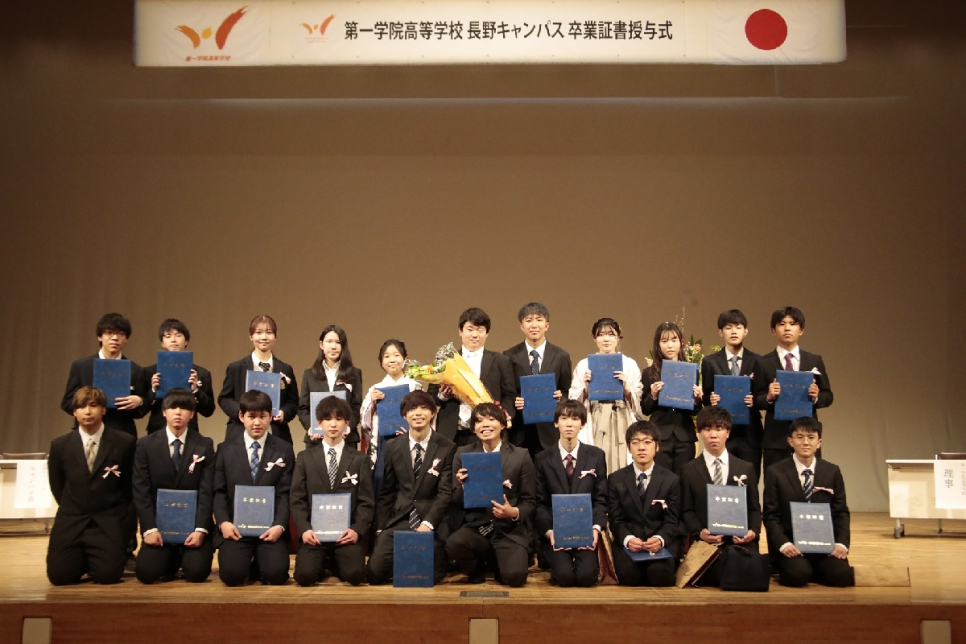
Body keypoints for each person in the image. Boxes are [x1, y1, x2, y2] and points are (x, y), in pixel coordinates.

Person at [47, 387, 137, 585]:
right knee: (60, 577)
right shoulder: (60, 445)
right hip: (72, 520)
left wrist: (124, 522)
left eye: (93, 405)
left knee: (107, 576)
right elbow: (58, 485)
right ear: (74, 412)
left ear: (103, 409)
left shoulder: (124, 442)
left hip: (108, 520)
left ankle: (97, 558)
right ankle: (81, 559)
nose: (87, 411)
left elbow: (130, 485)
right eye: (81, 407)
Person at [367, 391, 455, 585]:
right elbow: (387, 492)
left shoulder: (447, 446)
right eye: (412, 409)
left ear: (432, 414)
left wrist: (428, 524)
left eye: (424, 408)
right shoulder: (393, 446)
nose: (418, 413)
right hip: (401, 518)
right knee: (374, 574)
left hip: (432, 521)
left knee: (427, 577)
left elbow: (445, 493)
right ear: (404, 415)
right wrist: (381, 526)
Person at [132, 388, 216, 584]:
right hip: (160, 528)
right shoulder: (146, 445)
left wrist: (200, 529)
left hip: (192, 527)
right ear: (164, 412)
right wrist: (149, 529)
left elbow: (206, 491)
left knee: (196, 573)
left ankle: (182, 557)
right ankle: (171, 558)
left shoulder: (204, 444)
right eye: (172, 407)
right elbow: (141, 490)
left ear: (192, 414)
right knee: (146, 574)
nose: (178, 412)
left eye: (184, 408)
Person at [446, 403, 535, 587]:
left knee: (515, 578)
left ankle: (499, 562)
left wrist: (513, 512)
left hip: (508, 530)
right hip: (477, 527)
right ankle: (477, 568)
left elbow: (530, 501)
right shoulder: (463, 454)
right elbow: (457, 501)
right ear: (473, 429)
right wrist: (462, 486)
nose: (485, 424)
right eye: (479, 421)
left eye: (491, 419)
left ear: (502, 424)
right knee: (454, 544)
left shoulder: (520, 456)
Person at [213, 390, 295, 586]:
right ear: (241, 416)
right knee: (232, 577)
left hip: (270, 528)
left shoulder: (284, 449)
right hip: (237, 529)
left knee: (276, 575)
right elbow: (219, 491)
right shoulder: (225, 449)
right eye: (251, 416)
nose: (257, 422)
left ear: (270, 416)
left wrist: (279, 526)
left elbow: (285, 493)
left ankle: (260, 561)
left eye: (262, 416)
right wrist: (223, 523)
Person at [290, 396, 374, 587]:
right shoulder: (305, 458)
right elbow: (297, 499)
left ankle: (334, 563)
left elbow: (366, 501)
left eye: (338, 419)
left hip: (345, 535)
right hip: (315, 535)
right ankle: (325, 563)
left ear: (347, 423)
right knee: (304, 577)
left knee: (356, 576)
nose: (333, 424)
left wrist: (356, 530)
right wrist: (305, 530)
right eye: (328, 419)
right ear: (319, 423)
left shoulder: (359, 459)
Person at [763, 417, 853, 588]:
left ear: (819, 443)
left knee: (842, 576)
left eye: (811, 437)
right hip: (792, 546)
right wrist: (784, 544)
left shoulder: (832, 471)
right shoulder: (775, 472)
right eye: (800, 437)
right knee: (798, 576)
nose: (805, 442)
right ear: (790, 441)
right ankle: (800, 569)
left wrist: (841, 544)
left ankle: (815, 569)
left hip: (824, 545)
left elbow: (841, 512)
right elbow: (771, 515)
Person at [680, 407, 761, 587]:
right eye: (707, 429)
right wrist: (700, 532)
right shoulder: (688, 470)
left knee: (745, 569)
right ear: (699, 432)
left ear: (728, 432)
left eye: (719, 429)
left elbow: (754, 508)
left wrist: (752, 532)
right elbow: (686, 510)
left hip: (740, 543)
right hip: (705, 544)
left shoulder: (745, 468)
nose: (713, 435)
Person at [533, 400, 607, 587]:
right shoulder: (542, 459)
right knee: (564, 577)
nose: (569, 424)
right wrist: (549, 532)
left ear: (582, 424)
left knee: (586, 578)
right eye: (564, 418)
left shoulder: (596, 456)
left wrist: (596, 529)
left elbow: (600, 499)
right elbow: (540, 503)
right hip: (556, 532)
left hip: (585, 531)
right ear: (556, 423)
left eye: (575, 419)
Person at [755, 307, 834, 471]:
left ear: (801, 330)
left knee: (808, 482)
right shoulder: (763, 362)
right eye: (781, 324)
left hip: (807, 437)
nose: (787, 328)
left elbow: (828, 396)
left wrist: (816, 396)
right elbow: (756, 399)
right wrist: (769, 396)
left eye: (792, 324)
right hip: (775, 438)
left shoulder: (814, 360)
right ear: (773, 330)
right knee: (775, 482)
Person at [607, 421, 682, 587]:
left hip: (660, 544)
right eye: (635, 442)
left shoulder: (671, 480)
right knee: (629, 576)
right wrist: (628, 539)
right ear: (629, 447)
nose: (641, 447)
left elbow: (672, 521)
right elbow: (615, 520)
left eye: (647, 442)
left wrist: (660, 539)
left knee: (659, 574)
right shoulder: (616, 479)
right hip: (629, 543)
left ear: (657, 446)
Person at [568, 317, 644, 475]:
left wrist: (627, 389)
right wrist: (586, 389)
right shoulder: (584, 365)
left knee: (621, 461)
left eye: (611, 334)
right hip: (595, 417)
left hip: (621, 416)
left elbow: (639, 397)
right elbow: (573, 399)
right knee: (595, 462)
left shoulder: (629, 364)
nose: (606, 339)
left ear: (618, 338)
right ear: (594, 339)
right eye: (601, 335)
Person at [431, 308, 517, 447]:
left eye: (480, 330)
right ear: (460, 331)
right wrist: (443, 395)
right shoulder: (446, 360)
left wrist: (504, 413)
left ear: (487, 334)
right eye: (470, 329)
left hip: (489, 433)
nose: (475, 335)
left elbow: (509, 395)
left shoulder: (501, 361)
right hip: (452, 433)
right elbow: (432, 396)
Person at [701, 309, 767, 479]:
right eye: (728, 327)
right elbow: (705, 396)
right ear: (720, 332)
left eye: (738, 327)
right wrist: (710, 399)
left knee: (749, 480)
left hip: (750, 432)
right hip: (722, 432)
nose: (733, 332)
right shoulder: (710, 362)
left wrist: (755, 400)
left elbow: (763, 395)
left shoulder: (758, 361)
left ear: (746, 331)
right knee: (723, 479)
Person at [504, 302, 573, 459]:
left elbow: (567, 390)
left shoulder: (561, 356)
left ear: (547, 325)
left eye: (539, 320)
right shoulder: (509, 356)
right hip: (520, 431)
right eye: (529, 320)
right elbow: (508, 392)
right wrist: (515, 401)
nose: (534, 325)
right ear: (521, 326)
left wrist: (561, 398)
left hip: (550, 431)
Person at [61, 312, 148, 437]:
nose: (115, 338)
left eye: (120, 334)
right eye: (109, 333)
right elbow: (67, 402)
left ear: (126, 339)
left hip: (122, 434)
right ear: (99, 337)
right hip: (87, 432)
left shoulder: (135, 370)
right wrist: (88, 407)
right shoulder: (81, 367)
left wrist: (139, 401)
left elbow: (141, 411)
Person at [217, 315, 299, 443]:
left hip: (275, 432)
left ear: (275, 337)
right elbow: (224, 398)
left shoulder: (285, 369)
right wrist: (242, 413)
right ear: (251, 336)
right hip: (240, 431)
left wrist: (283, 413)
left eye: (269, 332)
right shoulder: (236, 368)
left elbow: (293, 402)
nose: (264, 337)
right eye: (258, 332)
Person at [360, 339, 422, 497]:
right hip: (384, 442)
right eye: (387, 356)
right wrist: (372, 404)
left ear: (405, 359)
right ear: (381, 362)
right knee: (384, 484)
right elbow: (365, 423)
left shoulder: (414, 386)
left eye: (396, 355)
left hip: (410, 439)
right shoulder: (375, 389)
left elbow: (425, 415)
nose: (392, 360)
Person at [641, 321, 703, 476]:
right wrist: (653, 395)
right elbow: (645, 409)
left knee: (684, 479)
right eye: (664, 341)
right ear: (658, 345)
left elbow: (695, 411)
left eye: (674, 340)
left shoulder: (691, 371)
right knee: (662, 479)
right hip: (660, 434)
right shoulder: (649, 373)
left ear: (681, 342)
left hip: (685, 435)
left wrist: (697, 399)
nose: (670, 345)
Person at [143, 319, 216, 435]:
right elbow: (141, 411)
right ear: (162, 343)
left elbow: (208, 411)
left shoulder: (201, 373)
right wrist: (153, 390)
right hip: (156, 431)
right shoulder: (150, 372)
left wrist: (196, 390)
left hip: (190, 432)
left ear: (186, 341)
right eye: (168, 336)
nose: (173, 340)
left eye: (178, 335)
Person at [297, 325, 363, 448]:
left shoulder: (354, 374)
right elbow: (302, 408)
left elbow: (356, 406)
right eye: (329, 341)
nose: (333, 346)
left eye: (338, 342)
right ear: (321, 345)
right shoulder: (309, 374)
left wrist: (348, 426)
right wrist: (311, 427)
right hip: (316, 440)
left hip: (347, 439)